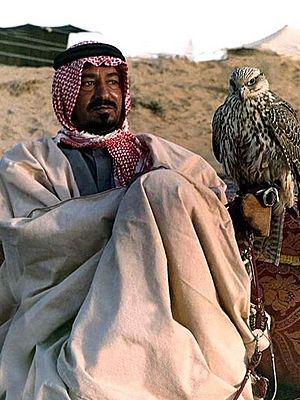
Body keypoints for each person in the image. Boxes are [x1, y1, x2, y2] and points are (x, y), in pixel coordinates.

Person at [0, 41, 265, 400]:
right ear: (66, 94)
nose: (103, 93)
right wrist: (137, 208)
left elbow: (208, 205)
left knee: (163, 187)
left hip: (169, 299)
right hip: (71, 309)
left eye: (112, 81)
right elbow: (36, 239)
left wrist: (160, 202)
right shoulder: (29, 161)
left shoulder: (157, 153)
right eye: (88, 83)